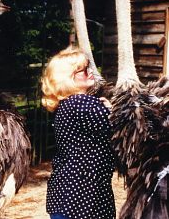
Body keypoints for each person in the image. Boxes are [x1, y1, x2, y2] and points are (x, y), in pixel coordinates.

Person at [41, 46, 116, 219]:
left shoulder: (67, 105)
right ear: (67, 78)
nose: (89, 72)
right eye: (82, 70)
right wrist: (112, 109)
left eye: (88, 67)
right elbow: (120, 127)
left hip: (69, 197)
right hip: (82, 199)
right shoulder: (81, 103)